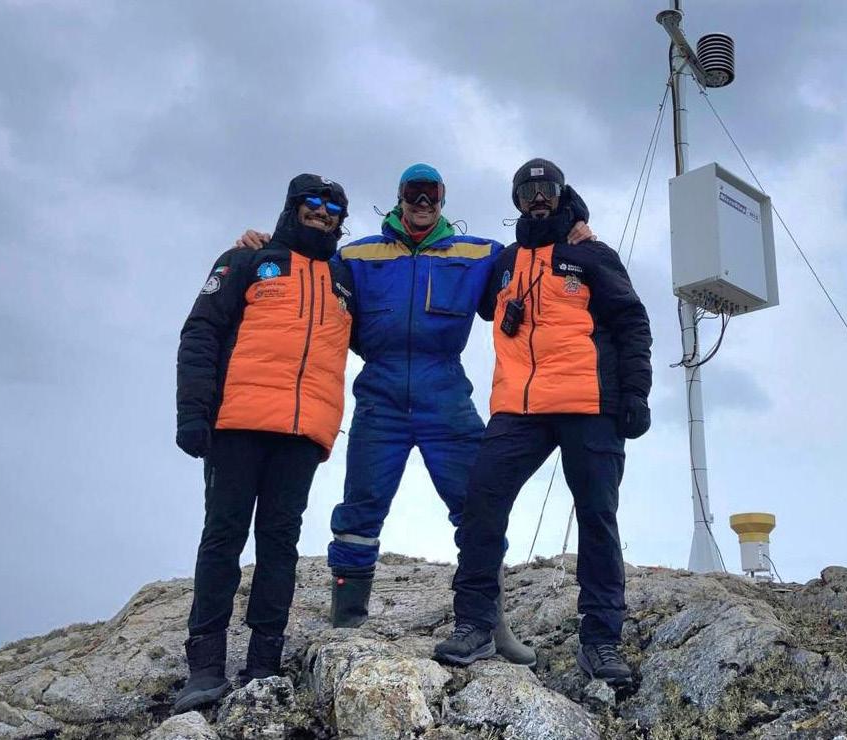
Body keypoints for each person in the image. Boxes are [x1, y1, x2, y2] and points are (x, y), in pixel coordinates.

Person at [236, 164, 591, 667]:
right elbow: (305, 262)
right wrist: (263, 244)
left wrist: (577, 230)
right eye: (413, 193)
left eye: (432, 194)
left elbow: (536, 256)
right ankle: (348, 620)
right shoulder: (355, 256)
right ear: (399, 197)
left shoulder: (481, 254)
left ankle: (489, 624)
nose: (422, 201)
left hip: (445, 394)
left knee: (478, 510)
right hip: (379, 397)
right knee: (360, 509)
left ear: (443, 199)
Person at [433, 159, 652, 688]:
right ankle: (475, 624)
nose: (537, 197)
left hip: (589, 404)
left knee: (597, 518)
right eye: (527, 189)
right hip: (519, 409)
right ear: (516, 199)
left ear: (561, 195)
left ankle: (600, 641)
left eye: (547, 189)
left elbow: (631, 322)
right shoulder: (504, 262)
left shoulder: (591, 254)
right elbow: (459, 274)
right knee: (481, 502)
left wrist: (636, 395)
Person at [173, 174, 354, 713]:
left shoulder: (345, 280)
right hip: (238, 423)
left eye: (333, 208)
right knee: (223, 537)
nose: (323, 213)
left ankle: (263, 661)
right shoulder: (247, 260)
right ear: (292, 208)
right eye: (313, 204)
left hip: (304, 432)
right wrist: (192, 412)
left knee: (280, 544)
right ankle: (204, 666)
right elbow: (201, 331)